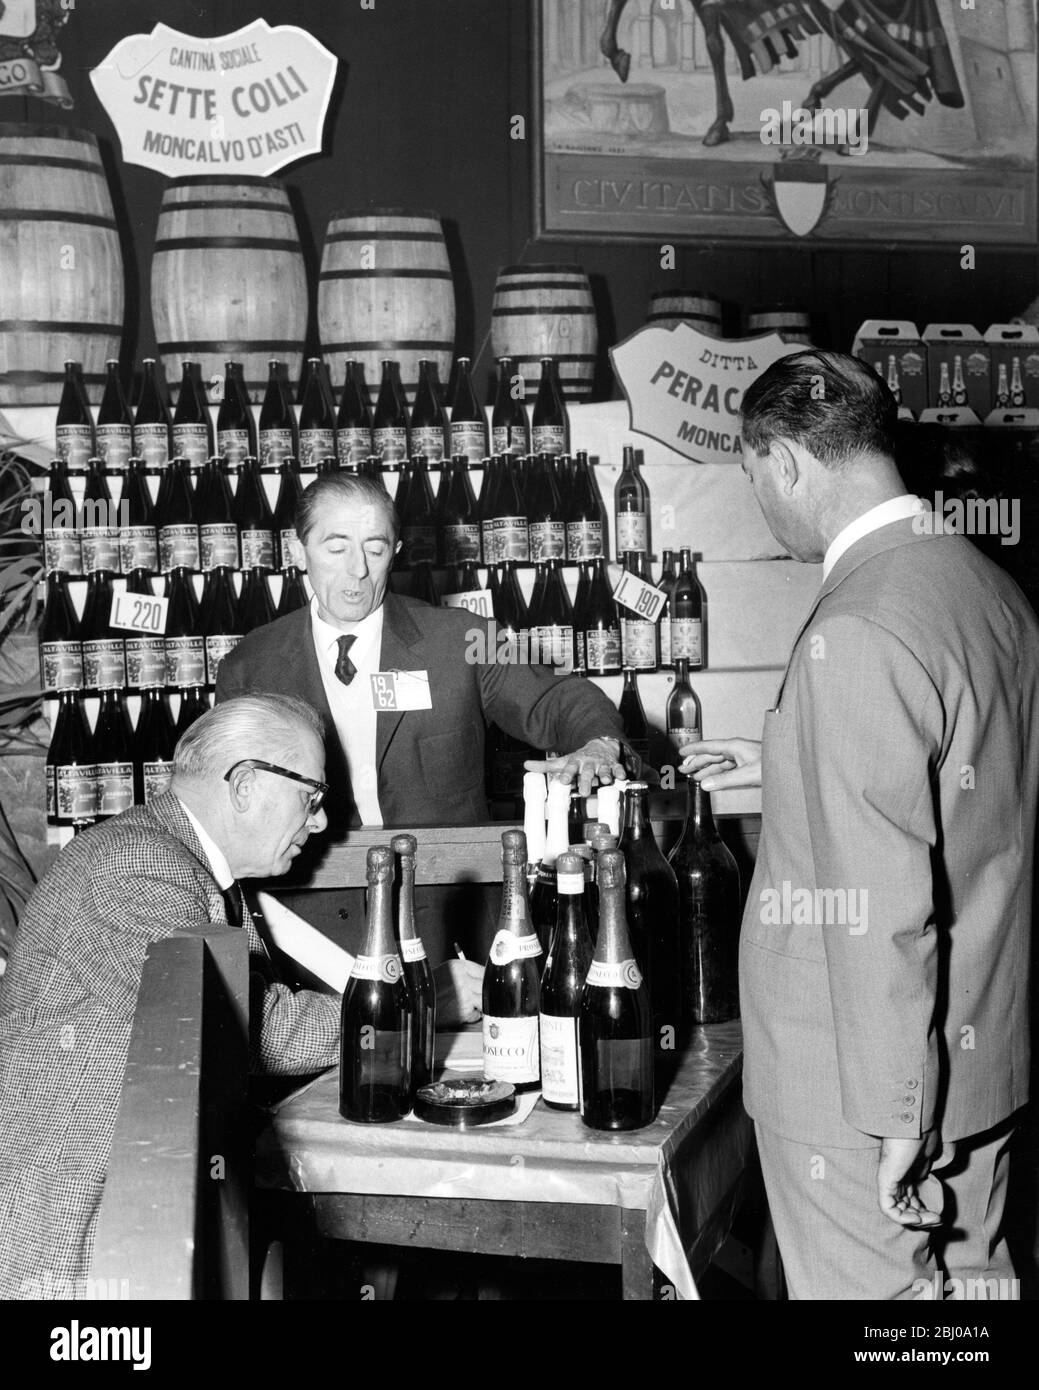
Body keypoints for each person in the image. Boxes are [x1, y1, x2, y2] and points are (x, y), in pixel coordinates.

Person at [682, 350, 1039, 1300]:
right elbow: (964, 790)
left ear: (788, 465)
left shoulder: (862, 624)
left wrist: (893, 1120)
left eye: (755, 478)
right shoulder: (982, 585)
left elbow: (880, 906)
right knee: (970, 1301)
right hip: (980, 1053)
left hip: (864, 1091)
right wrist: (795, 755)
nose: (763, 501)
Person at [0, 695, 477, 1299]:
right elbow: (251, 1028)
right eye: (312, 797)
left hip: (121, 1186)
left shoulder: (180, 861)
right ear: (246, 784)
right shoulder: (141, 862)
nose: (322, 822)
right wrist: (420, 1005)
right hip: (72, 1218)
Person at [216, 472, 633, 957]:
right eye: (336, 548)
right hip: (306, 919)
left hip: (445, 911)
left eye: (374, 548)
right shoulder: (249, 665)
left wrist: (599, 742)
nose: (357, 571)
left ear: (395, 551)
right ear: (297, 550)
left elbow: (556, 698)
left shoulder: (462, 639)